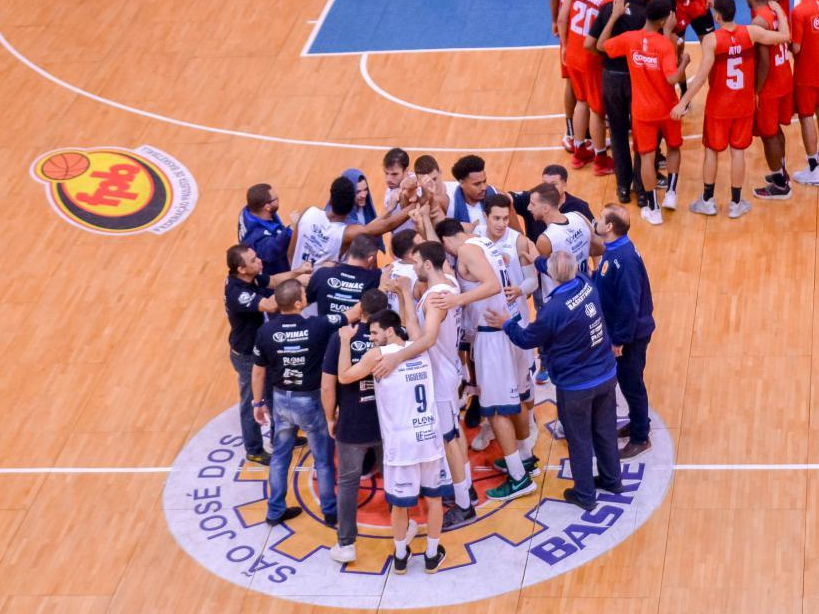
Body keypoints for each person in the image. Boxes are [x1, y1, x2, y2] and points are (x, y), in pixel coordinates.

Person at [485, 251, 622, 511]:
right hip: (605, 373)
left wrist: (505, 323)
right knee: (604, 430)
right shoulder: (586, 284)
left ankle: (585, 494)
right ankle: (612, 480)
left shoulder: (552, 311)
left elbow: (526, 339)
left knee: (579, 438)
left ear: (552, 276)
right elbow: (563, 270)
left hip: (576, 386)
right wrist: (538, 261)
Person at [375, 242, 478, 529]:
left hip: (442, 377)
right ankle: (465, 488)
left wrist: (397, 358)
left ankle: (464, 504)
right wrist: (405, 294)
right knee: (453, 435)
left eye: (417, 262)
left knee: (449, 440)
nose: (414, 266)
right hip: (447, 371)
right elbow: (416, 331)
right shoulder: (448, 284)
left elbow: (428, 338)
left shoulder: (436, 298)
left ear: (429, 265)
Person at [433, 218, 537, 501]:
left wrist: (457, 301)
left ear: (446, 243)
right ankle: (526, 457)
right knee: (514, 398)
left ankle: (519, 478)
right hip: (509, 325)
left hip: (493, 333)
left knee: (495, 409)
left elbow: (491, 285)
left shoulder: (466, 251)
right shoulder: (480, 240)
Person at [337, 310, 447, 574]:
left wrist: (344, 341)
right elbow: (417, 328)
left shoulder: (377, 356)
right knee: (434, 500)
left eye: (374, 332)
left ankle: (400, 556)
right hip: (429, 436)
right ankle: (432, 554)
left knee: (399, 505)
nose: (371, 337)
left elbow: (343, 377)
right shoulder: (420, 345)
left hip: (401, 443)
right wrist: (405, 291)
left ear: (389, 331)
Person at [252, 279, 360, 526]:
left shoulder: (265, 331)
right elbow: (353, 313)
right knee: (322, 459)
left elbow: (258, 372)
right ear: (299, 303)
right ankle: (331, 512)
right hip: (310, 401)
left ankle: (274, 510)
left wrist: (258, 404)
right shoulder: (318, 325)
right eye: (304, 294)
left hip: (281, 399)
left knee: (280, 457)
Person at [672, 0, 790, 219]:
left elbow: (699, 78)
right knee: (738, 152)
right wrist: (781, 12)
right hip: (744, 106)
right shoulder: (751, 32)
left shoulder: (711, 40)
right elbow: (785, 36)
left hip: (719, 107)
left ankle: (708, 200)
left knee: (711, 151)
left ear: (717, 17)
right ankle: (736, 203)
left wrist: (683, 102)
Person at [599, 0, 689, 225]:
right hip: (668, 107)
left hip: (643, 111)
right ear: (662, 20)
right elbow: (671, 78)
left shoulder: (630, 39)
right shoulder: (664, 44)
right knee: (674, 148)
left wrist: (613, 17)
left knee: (647, 157)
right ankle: (671, 193)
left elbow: (601, 45)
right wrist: (684, 63)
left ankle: (654, 209)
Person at [224, 245, 311, 465]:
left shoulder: (248, 278)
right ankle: (253, 448)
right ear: (242, 269)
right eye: (254, 260)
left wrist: (298, 271)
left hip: (261, 349)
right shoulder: (238, 293)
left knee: (275, 394)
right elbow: (271, 305)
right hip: (246, 355)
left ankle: (279, 437)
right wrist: (296, 287)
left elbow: (272, 280)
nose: (259, 261)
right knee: (252, 401)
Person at [322, 289, 389, 564]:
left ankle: (346, 543)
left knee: (348, 484)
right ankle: (404, 531)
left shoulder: (341, 338)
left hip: (352, 423)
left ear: (359, 310)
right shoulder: (395, 339)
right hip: (388, 423)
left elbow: (328, 385)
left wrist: (329, 417)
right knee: (397, 476)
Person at [474, 195, 540, 456]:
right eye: (496, 218)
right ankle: (492, 426)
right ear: (486, 217)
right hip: (487, 326)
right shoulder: (475, 239)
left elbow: (533, 281)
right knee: (489, 385)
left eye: (505, 218)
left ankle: (530, 421)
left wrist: (519, 289)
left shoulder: (518, 241)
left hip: (516, 321)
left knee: (523, 381)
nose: (501, 223)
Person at [592, 204, 656, 459]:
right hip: (625, 330)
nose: (595, 221)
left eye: (599, 218)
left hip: (631, 335)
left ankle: (641, 437)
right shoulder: (615, 250)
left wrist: (619, 340)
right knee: (629, 382)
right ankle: (637, 422)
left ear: (609, 227)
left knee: (631, 384)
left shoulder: (624, 258)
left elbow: (629, 303)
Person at [586, 0, 647, 205]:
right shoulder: (644, 12)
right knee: (641, 134)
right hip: (636, 78)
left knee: (617, 132)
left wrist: (606, 58)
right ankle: (640, 189)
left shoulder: (607, 8)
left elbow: (590, 44)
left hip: (611, 78)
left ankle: (622, 187)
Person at [289, 175, 412, 268]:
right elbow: (386, 226)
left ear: (330, 199)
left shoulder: (308, 212)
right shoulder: (346, 233)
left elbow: (290, 254)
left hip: (293, 284)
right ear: (352, 206)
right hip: (316, 294)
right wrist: (417, 204)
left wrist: (388, 210)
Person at [558, 0, 616, 175]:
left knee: (581, 102)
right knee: (597, 110)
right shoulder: (608, 2)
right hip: (592, 58)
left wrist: (565, 45)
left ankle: (579, 150)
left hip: (573, 52)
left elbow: (561, 19)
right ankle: (600, 159)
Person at [748, 0, 794, 199]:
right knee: (776, 130)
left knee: (769, 134)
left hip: (770, 86)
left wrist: (756, 91)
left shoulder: (759, 22)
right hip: (784, 77)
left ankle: (780, 185)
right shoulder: (776, 10)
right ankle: (781, 173)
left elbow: (764, 63)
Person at [306, 234, 381, 315]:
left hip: (325, 326)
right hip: (356, 327)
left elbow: (304, 301)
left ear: (349, 251)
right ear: (371, 258)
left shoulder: (322, 273)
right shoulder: (375, 278)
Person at [791, 0, 819, 185]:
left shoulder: (799, 11)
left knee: (806, 116)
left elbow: (797, 47)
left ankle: (814, 168)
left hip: (806, 74)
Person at [238, 183, 292, 276]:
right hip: (274, 275)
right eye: (276, 199)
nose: (278, 199)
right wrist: (290, 230)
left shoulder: (251, 210)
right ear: (267, 207)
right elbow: (273, 251)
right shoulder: (256, 237)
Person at [553, 0, 580, 152]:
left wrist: (554, 19)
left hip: (572, 29)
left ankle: (572, 131)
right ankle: (572, 132)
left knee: (573, 83)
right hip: (584, 27)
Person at [384, 228, 423, 313]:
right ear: (412, 255)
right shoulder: (419, 274)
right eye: (421, 243)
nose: (426, 244)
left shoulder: (390, 267)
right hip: (408, 324)